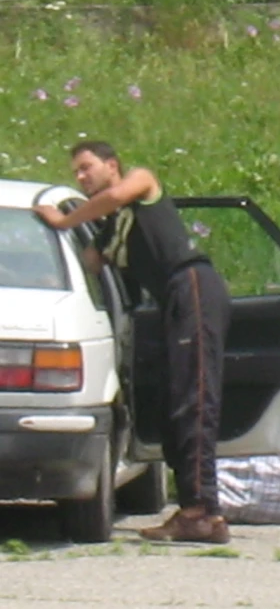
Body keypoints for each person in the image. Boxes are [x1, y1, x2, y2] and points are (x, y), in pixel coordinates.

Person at [36, 140, 231, 543]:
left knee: (195, 398)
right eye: (75, 171)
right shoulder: (110, 232)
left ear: (112, 165)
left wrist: (63, 220)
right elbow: (87, 264)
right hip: (168, 303)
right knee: (177, 403)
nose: (81, 176)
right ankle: (196, 510)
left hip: (191, 284)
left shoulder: (141, 183)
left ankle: (202, 512)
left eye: (86, 167)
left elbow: (117, 195)